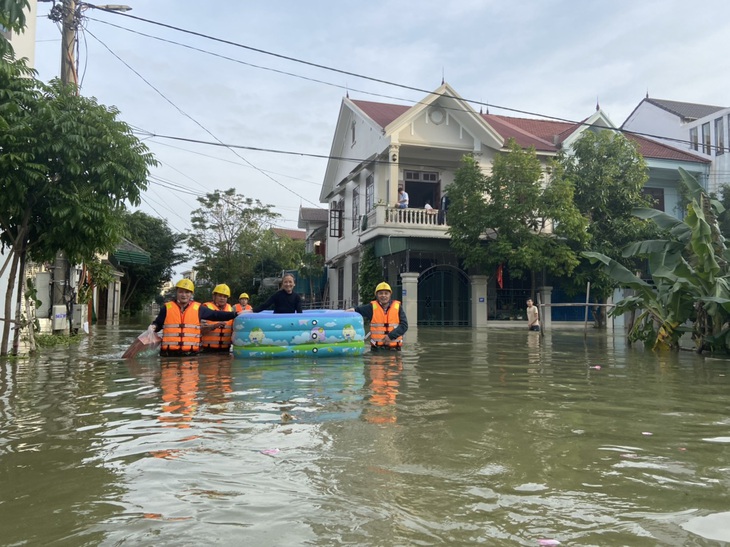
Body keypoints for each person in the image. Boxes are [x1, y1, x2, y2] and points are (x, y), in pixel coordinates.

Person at [150, 279, 238, 357]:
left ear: (191, 294)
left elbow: (216, 315)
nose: (184, 295)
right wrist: (153, 326)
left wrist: (235, 314)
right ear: (176, 292)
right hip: (168, 354)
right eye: (181, 292)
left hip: (190, 354)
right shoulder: (166, 308)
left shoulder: (199, 308)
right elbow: (158, 324)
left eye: (187, 292)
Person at [348, 282, 408, 350]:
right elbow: (357, 309)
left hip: (395, 349)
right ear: (376, 295)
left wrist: (390, 336)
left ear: (390, 295)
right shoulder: (371, 308)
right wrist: (351, 310)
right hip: (377, 349)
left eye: (386, 293)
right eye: (380, 293)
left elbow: (404, 326)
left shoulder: (398, 307)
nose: (383, 295)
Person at [201, 284, 234, 353]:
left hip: (225, 350)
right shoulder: (206, 308)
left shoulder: (230, 309)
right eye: (220, 296)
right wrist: (214, 326)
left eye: (225, 296)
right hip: (207, 350)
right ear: (214, 296)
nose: (222, 298)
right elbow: (200, 330)